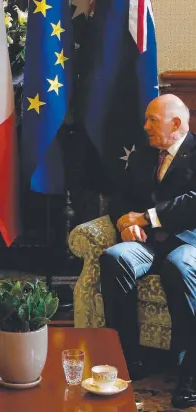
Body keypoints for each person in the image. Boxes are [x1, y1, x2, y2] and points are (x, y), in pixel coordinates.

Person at [99, 94, 196, 408]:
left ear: (177, 124)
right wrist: (125, 222)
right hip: (149, 245)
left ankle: (190, 372)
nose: (146, 126)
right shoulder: (142, 156)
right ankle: (129, 358)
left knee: (178, 266)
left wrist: (146, 217)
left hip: (188, 242)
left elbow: (191, 203)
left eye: (153, 119)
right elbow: (120, 200)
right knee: (115, 258)